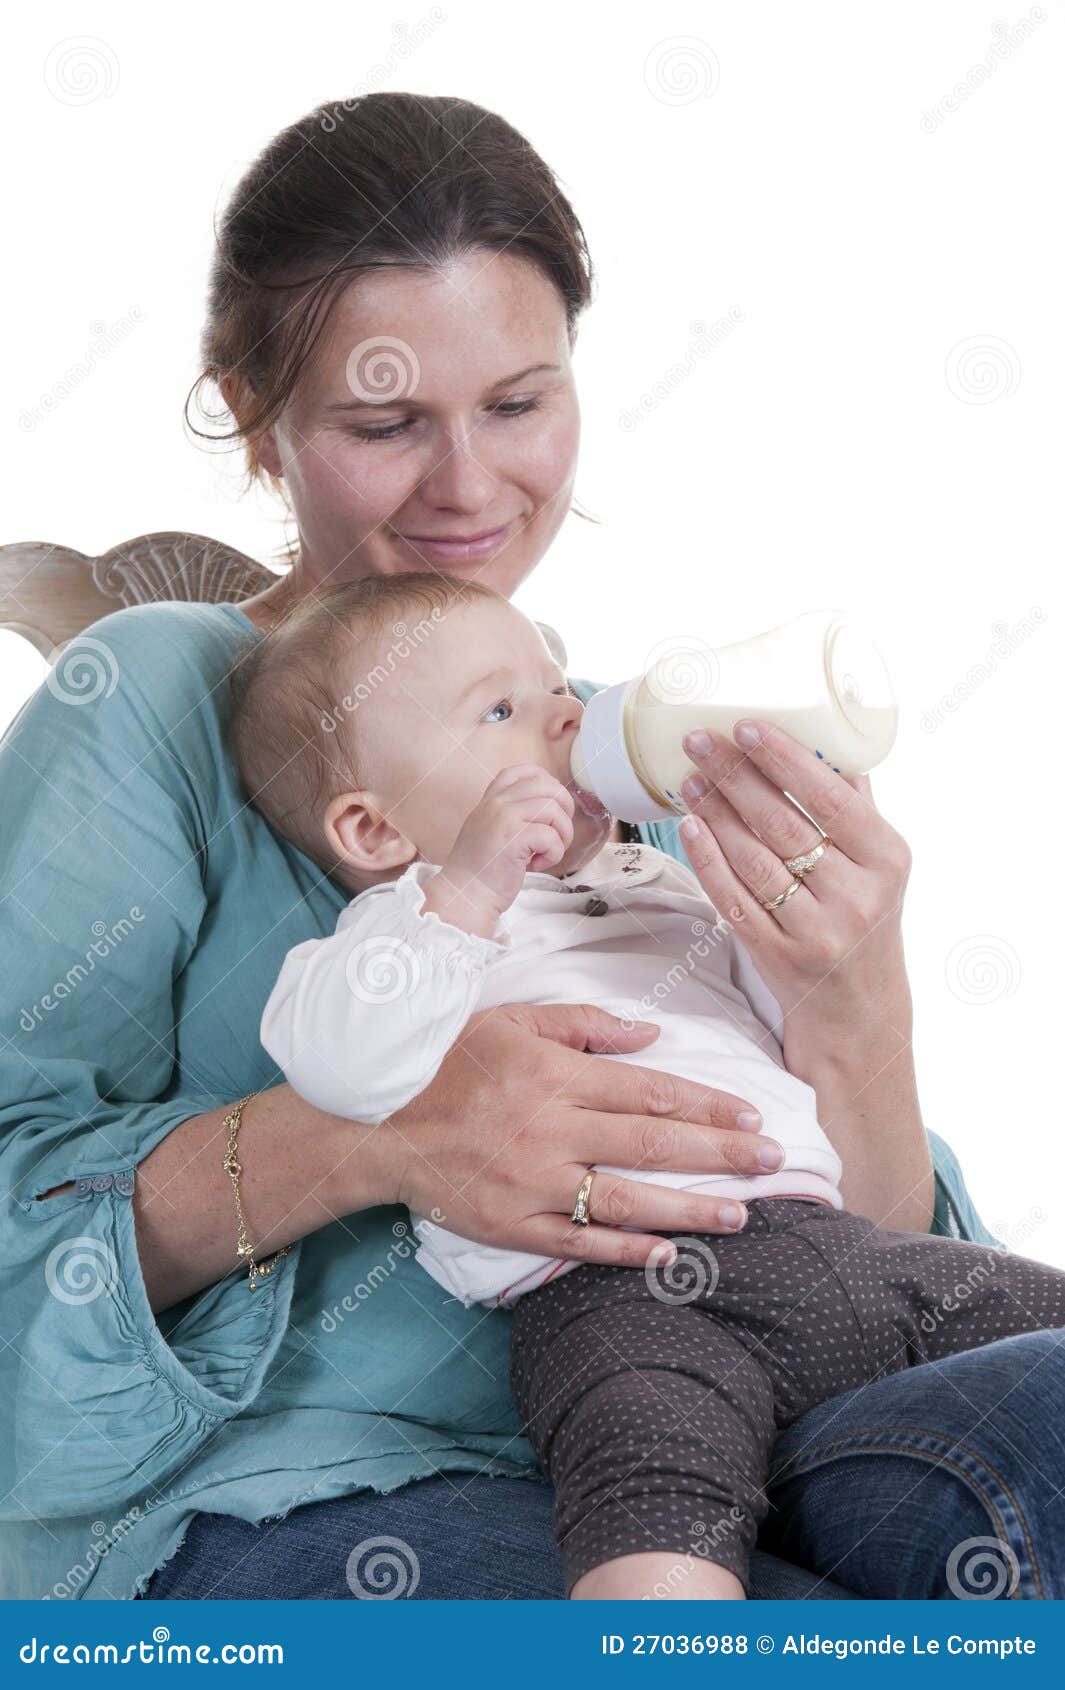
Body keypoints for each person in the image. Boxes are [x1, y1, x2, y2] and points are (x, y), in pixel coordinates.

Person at [1, 92, 1060, 1604]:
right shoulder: (158, 700)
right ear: (251, 409)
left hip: (751, 1403)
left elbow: (846, 1240)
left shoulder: (598, 756)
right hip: (306, 1487)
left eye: (517, 404)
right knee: (760, 1635)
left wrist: (853, 1000)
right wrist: (374, 1135)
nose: (470, 488)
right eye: (384, 422)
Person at [234, 572, 1065, 1601]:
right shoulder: (402, 934)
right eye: (501, 711)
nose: (566, 715)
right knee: (654, 1503)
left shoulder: (655, 883)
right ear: (375, 832)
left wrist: (783, 889)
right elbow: (343, 1064)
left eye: (554, 688)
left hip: (847, 1255)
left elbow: (796, 1028)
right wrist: (474, 883)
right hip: (625, 1296)